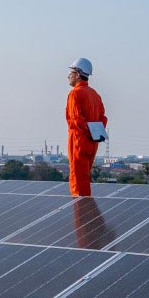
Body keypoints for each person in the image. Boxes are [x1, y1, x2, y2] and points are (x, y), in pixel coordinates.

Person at [64, 58, 107, 197]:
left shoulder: (75, 93)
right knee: (84, 178)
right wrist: (94, 134)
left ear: (77, 74)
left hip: (79, 140)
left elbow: (75, 119)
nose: (68, 76)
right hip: (92, 143)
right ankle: (84, 211)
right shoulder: (95, 94)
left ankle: (81, 212)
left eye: (70, 72)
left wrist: (87, 133)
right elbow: (103, 118)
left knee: (77, 180)